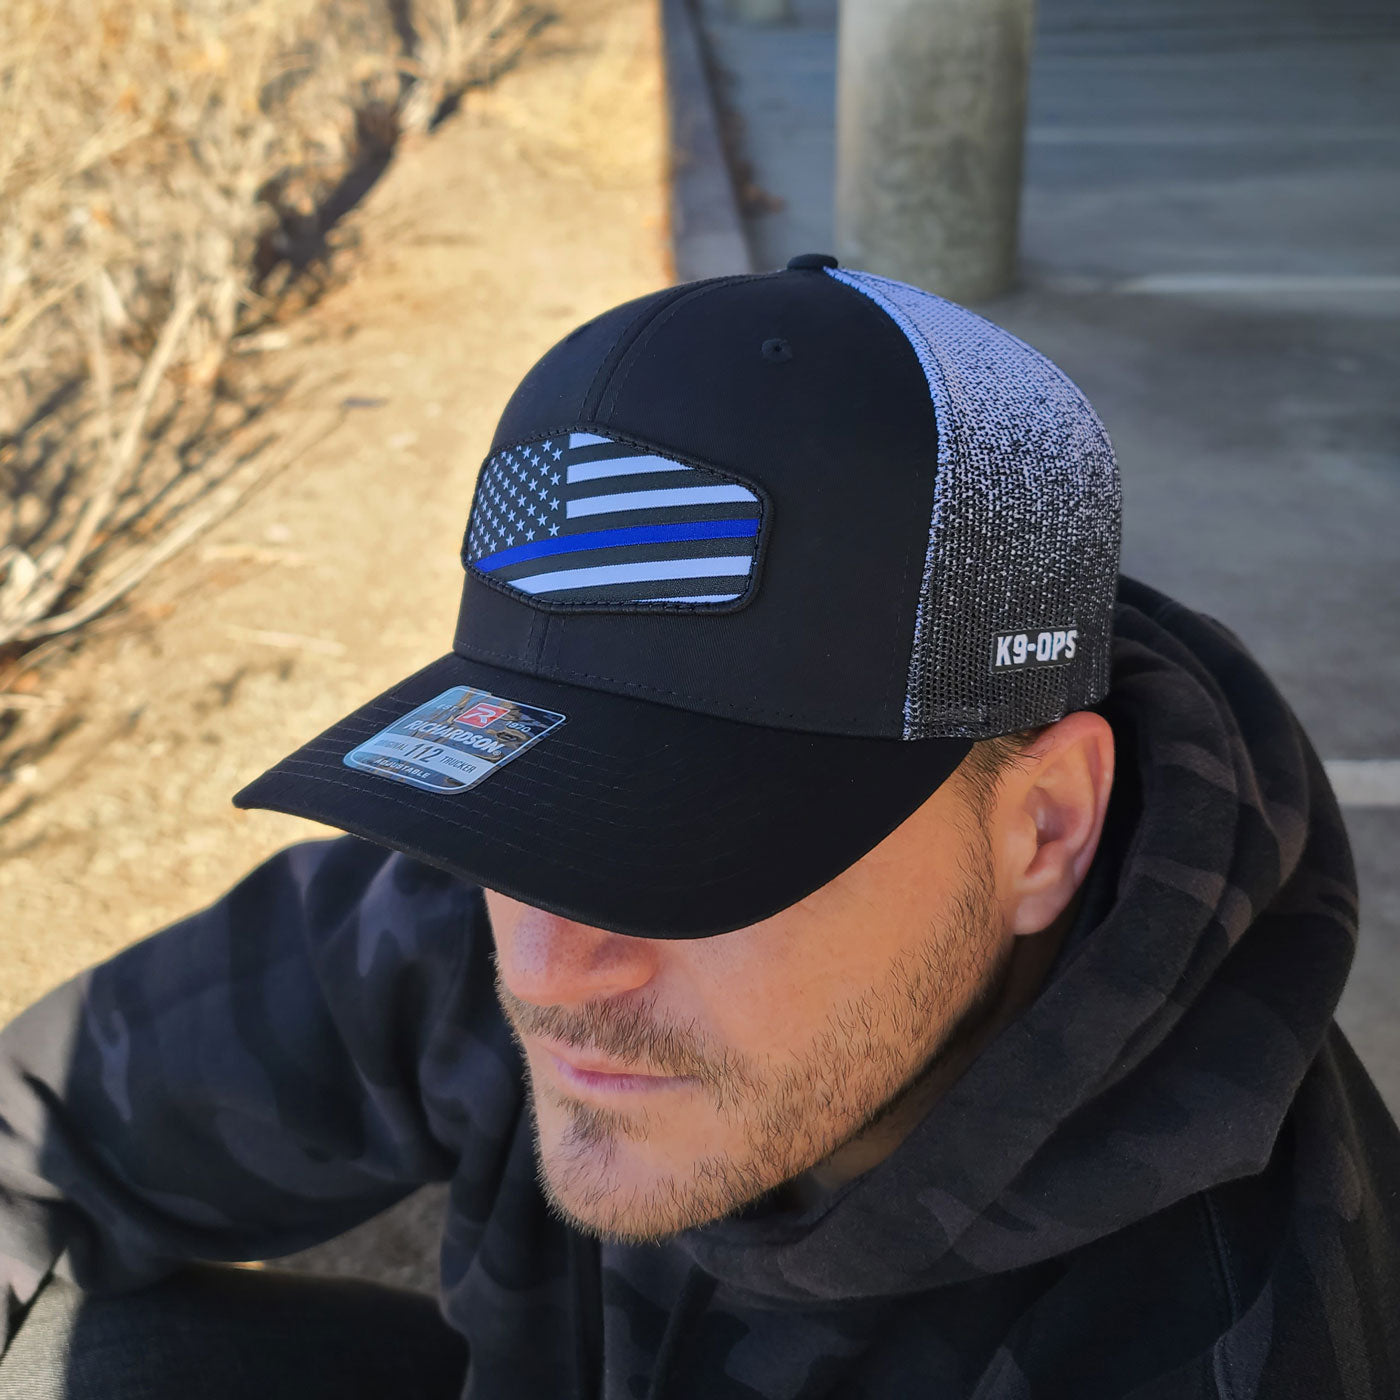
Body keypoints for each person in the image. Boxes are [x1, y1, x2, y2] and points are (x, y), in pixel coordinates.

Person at [1, 254, 1397, 1400]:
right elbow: (42, 1119)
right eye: (534, 804)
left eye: (691, 854)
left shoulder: (1220, 1337)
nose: (543, 969)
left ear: (1044, 830)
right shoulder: (501, 923)